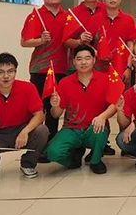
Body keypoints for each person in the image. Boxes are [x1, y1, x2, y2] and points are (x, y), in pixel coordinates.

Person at [0, 53, 49, 179]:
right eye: (0, 72)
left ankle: (28, 164)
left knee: (42, 131)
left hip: (21, 129)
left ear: (15, 72)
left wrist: (25, 131)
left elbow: (40, 115)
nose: (6, 76)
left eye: (10, 71)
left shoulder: (28, 88)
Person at [45, 45, 117, 174]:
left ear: (94, 60)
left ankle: (96, 161)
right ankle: (72, 161)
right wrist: (55, 105)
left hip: (94, 127)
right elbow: (55, 115)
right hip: (71, 129)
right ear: (74, 61)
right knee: (52, 153)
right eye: (79, 59)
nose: (83, 62)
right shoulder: (65, 83)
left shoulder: (105, 79)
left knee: (99, 130)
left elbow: (114, 104)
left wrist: (103, 116)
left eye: (87, 58)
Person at [20, 0, 67, 142]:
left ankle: (51, 143)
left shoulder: (67, 16)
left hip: (60, 68)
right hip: (40, 69)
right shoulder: (36, 15)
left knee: (54, 107)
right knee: (38, 108)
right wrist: (40, 40)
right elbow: (24, 42)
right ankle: (37, 143)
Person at [63, 0, 107, 70]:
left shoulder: (107, 9)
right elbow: (66, 42)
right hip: (80, 65)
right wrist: (80, 41)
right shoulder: (73, 13)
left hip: (104, 64)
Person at [99, 0, 136, 82]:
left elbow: (130, 45)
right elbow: (89, 44)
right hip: (99, 69)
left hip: (121, 68)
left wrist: (128, 68)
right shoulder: (95, 19)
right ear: (103, 0)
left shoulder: (128, 19)